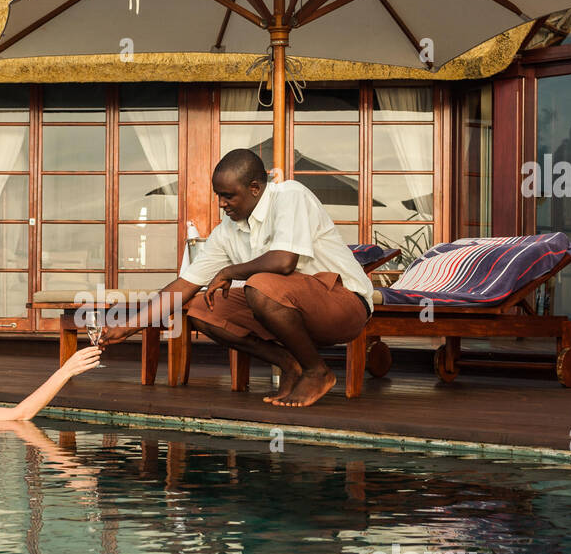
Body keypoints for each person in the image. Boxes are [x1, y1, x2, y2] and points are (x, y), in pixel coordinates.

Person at [101, 148, 372, 408]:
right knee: (200, 308)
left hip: (344, 306)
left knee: (259, 285)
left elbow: (284, 261)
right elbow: (185, 285)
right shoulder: (226, 231)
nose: (221, 204)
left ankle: (318, 372)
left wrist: (230, 271)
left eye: (228, 195)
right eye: (218, 195)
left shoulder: (290, 195)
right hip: (293, 311)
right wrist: (127, 327)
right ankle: (291, 364)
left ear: (255, 188)